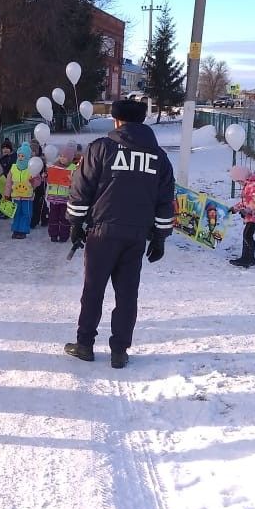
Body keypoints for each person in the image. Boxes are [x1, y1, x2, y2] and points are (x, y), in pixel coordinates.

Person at [63, 97, 175, 368]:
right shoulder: (159, 157)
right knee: (127, 294)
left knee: (93, 290)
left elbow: (82, 188)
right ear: (142, 121)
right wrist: (160, 237)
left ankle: (85, 344)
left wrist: (75, 224)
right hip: (136, 236)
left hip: (102, 233)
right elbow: (165, 199)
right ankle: (119, 351)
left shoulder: (101, 148)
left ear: (116, 120)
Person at [229, 166, 255, 268]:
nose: (239, 183)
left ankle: (248, 259)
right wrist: (235, 208)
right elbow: (245, 201)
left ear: (243, 178)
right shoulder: (249, 185)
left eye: (239, 181)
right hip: (252, 214)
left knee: (247, 235)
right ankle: (249, 258)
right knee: (247, 234)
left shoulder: (254, 185)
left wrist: (247, 210)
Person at [46, 142, 77, 243]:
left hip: (66, 198)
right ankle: (53, 235)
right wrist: (45, 176)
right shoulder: (54, 167)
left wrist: (72, 180)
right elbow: (48, 178)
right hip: (54, 197)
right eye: (61, 156)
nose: (62, 158)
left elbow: (77, 182)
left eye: (65, 157)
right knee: (53, 217)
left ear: (70, 158)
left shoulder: (73, 168)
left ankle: (64, 235)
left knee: (64, 218)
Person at [4, 143, 35, 240]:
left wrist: (33, 181)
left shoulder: (32, 168)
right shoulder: (13, 168)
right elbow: (9, 182)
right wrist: (6, 194)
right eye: (19, 156)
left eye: (23, 156)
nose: (21, 158)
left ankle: (23, 230)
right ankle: (16, 229)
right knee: (16, 213)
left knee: (26, 213)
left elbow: (37, 181)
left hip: (27, 197)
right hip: (16, 196)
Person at [0, 139, 16, 219]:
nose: (5, 150)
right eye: (3, 148)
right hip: (3, 180)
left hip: (10, 180)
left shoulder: (13, 157)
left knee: (8, 196)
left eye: (7, 148)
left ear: (10, 149)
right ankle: (2, 209)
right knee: (1, 195)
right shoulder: (2, 158)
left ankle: (8, 211)